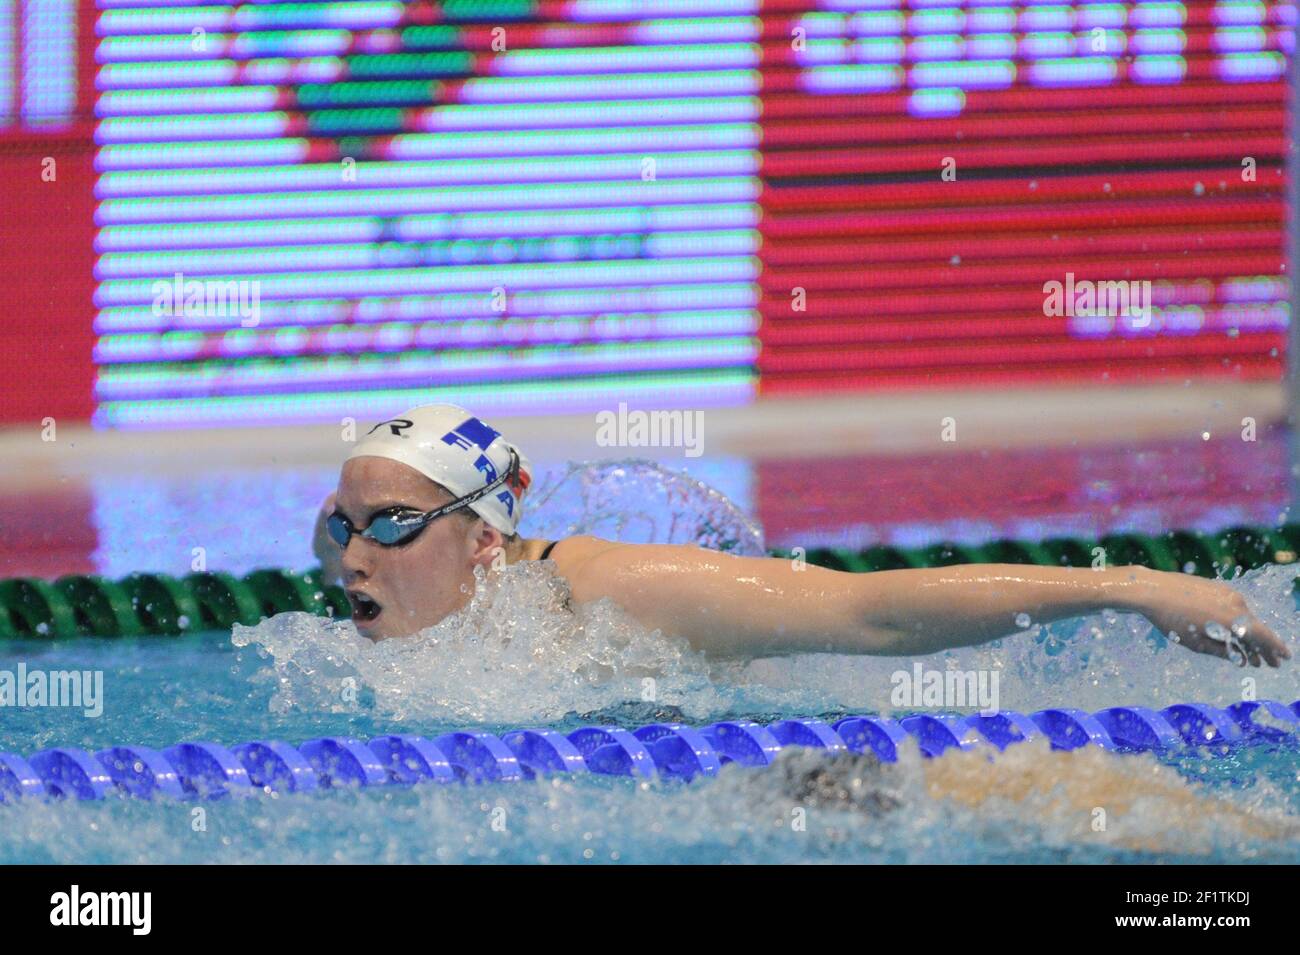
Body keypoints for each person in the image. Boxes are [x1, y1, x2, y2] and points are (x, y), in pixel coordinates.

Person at [312, 404, 1290, 668]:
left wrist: (1134, 585)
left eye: (391, 526)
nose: (351, 558)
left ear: (484, 537)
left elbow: (872, 613)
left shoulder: (610, 591)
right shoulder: (426, 635)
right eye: (340, 526)